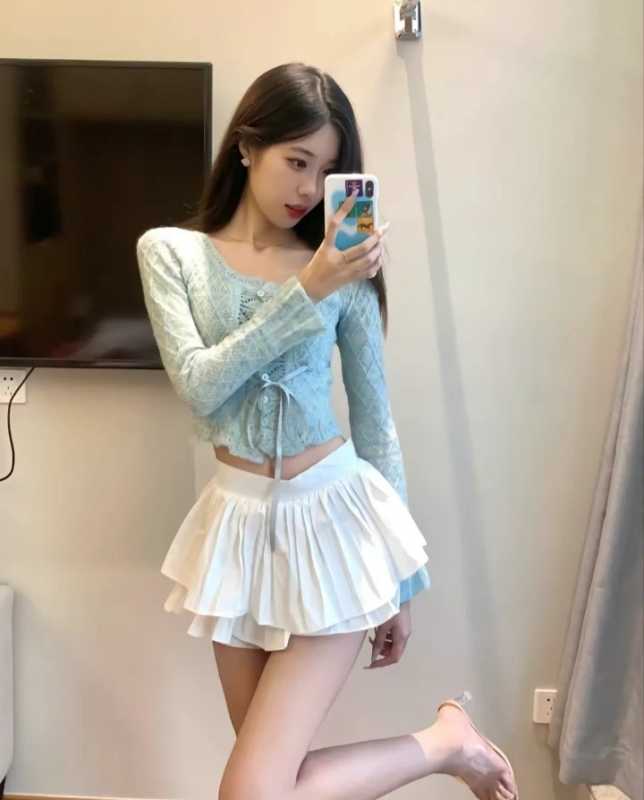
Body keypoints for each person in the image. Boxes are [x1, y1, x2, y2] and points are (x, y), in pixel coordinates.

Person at [136, 62, 519, 800]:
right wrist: (305, 289)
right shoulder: (171, 253)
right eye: (297, 161)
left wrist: (401, 583)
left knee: (250, 792)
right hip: (236, 531)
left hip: (334, 522)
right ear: (246, 145)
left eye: (327, 169)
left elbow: (376, 424)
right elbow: (200, 386)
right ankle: (448, 741)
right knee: (273, 786)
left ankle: (444, 745)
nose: (309, 189)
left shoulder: (346, 269)